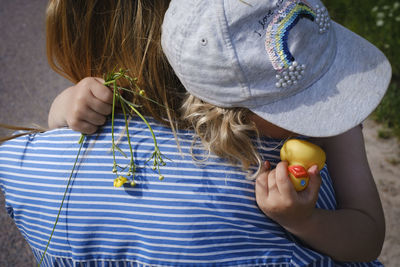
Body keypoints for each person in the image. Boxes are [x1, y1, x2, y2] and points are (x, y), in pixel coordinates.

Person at [0, 0, 391, 266]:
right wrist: (65, 106)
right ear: (226, 106)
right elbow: (62, 127)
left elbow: (369, 235)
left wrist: (306, 223)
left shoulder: (340, 124)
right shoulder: (185, 116)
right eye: (306, 100)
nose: (331, 104)